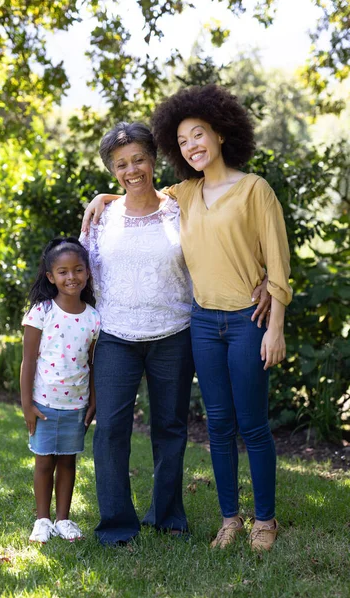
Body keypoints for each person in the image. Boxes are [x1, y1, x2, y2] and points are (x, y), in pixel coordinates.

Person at [79, 121, 271, 546]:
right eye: (121, 165)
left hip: (174, 333)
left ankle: (167, 516)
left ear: (154, 160)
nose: (132, 171)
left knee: (170, 428)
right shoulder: (100, 216)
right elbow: (84, 279)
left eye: (139, 160)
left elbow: (223, 241)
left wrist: (261, 280)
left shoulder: (180, 204)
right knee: (111, 430)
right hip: (116, 336)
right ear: (113, 171)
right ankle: (116, 524)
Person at [151, 84, 293, 551]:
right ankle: (230, 519)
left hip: (247, 323)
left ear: (221, 134)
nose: (192, 145)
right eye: (184, 140)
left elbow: (277, 265)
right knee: (217, 424)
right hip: (204, 324)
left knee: (252, 424)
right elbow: (137, 195)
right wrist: (100, 200)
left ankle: (265, 521)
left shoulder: (255, 189)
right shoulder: (184, 195)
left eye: (199, 134)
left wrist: (275, 329)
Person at [20, 236, 100, 544]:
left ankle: (63, 519)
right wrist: (27, 405)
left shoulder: (94, 318)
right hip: (43, 404)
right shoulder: (41, 312)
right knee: (44, 462)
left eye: (78, 269)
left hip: (76, 405)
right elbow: (28, 362)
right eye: (63, 272)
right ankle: (42, 520)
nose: (71, 277)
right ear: (51, 276)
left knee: (68, 461)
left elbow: (93, 365)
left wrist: (92, 400)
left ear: (87, 273)